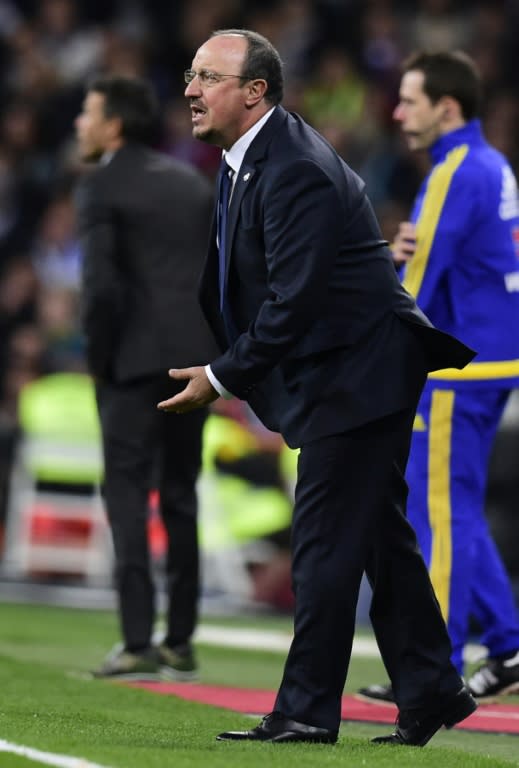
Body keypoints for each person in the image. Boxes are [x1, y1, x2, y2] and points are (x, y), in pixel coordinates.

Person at [157, 29, 477, 746]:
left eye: (208, 77)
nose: (189, 90)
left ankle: (305, 709)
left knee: (323, 543)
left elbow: (293, 301)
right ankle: (430, 689)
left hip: (360, 373)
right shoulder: (248, 158)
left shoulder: (294, 165)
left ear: (254, 92)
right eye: (191, 74)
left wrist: (220, 377)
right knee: (376, 540)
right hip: (342, 370)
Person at [358, 51, 519, 706]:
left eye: (409, 100)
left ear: (445, 108)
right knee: (457, 507)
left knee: (438, 512)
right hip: (490, 356)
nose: (397, 113)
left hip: (459, 365)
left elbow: (415, 290)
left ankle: (433, 668)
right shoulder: (491, 163)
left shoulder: (454, 171)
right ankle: (506, 645)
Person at [74, 75, 217, 680]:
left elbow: (103, 289)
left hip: (131, 364)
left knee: (128, 495)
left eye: (87, 113)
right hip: (196, 360)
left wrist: (100, 360)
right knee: (181, 495)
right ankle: (180, 641)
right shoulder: (190, 181)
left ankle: (136, 641)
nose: (79, 124)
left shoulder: (102, 184)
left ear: (113, 126)